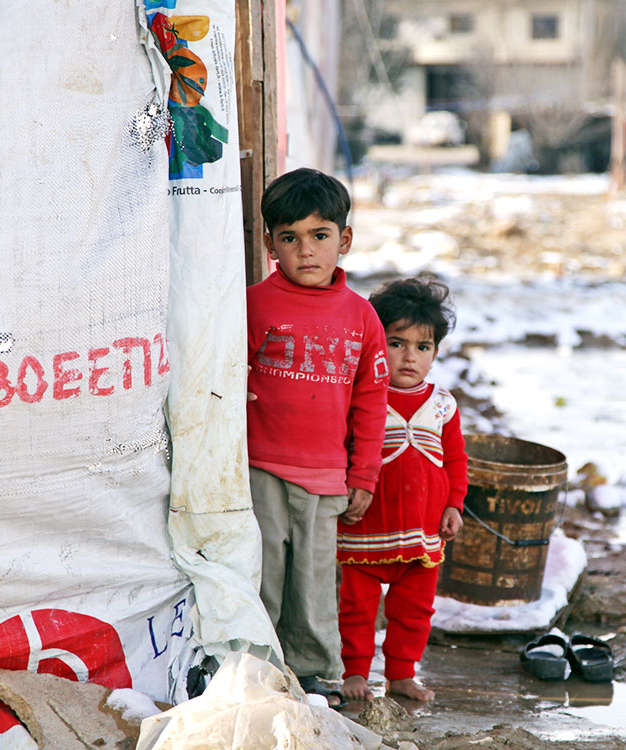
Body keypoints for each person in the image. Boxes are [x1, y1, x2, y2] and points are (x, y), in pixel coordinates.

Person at [246, 168, 390, 709]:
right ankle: (256, 666)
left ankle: (314, 673)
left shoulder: (361, 317)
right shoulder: (253, 305)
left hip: (327, 476)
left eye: (319, 235)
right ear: (270, 244)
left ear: (344, 240)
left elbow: (370, 401)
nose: (306, 250)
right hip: (260, 466)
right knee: (264, 573)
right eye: (290, 238)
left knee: (313, 579)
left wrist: (364, 475)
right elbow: (225, 373)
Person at [336, 277, 468, 702]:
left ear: (435, 352)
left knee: (414, 611)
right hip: (366, 528)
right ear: (375, 342)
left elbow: (456, 462)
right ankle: (355, 671)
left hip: (423, 529)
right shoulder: (363, 396)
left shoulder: (442, 404)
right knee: (356, 608)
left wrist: (454, 505)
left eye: (423, 347)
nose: (410, 356)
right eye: (396, 343)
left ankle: (401, 674)